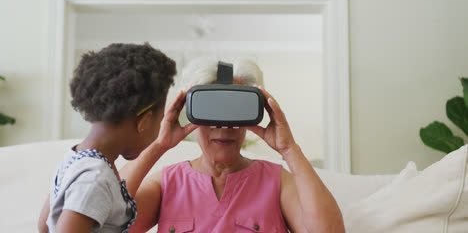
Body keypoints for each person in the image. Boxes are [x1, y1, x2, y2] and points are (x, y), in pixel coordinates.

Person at [123, 59, 345, 233]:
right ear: (191, 113)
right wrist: (158, 146)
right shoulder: (168, 183)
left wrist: (289, 149)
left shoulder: (276, 181)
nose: (225, 126)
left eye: (235, 111)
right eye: (212, 111)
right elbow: (106, 220)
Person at [38, 43, 198, 233]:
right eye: (159, 118)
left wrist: (160, 144)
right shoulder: (96, 178)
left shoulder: (75, 158)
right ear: (144, 121)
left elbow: (44, 225)